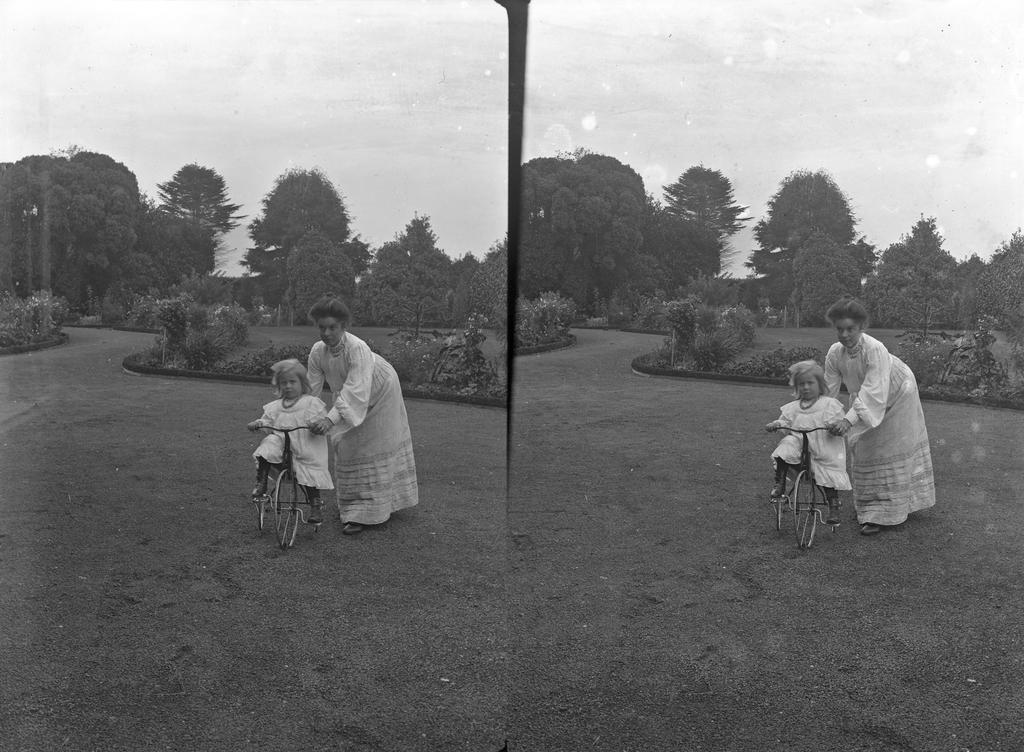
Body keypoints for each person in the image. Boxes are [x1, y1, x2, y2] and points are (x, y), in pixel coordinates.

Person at [822, 296, 936, 535]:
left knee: (889, 447)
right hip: (868, 398)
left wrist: (847, 420)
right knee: (863, 447)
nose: (844, 334)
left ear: (862, 327)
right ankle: (869, 508)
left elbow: (875, 391)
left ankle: (886, 514)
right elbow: (828, 391)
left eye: (850, 329)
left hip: (898, 391)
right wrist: (820, 415)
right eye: (840, 329)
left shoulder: (874, 349)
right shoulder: (835, 353)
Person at [305, 297, 419, 535]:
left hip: (381, 388)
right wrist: (304, 415)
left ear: (344, 325)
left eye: (332, 327)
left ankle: (372, 512)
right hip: (351, 395)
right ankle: (353, 508)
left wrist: (329, 419)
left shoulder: (357, 348)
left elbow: (356, 390)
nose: (326, 333)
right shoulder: (318, 351)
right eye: (322, 327)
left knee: (374, 444)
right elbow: (311, 390)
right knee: (345, 444)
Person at [248, 359, 334, 524]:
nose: (288, 386)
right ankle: (262, 481)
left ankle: (315, 505)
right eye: (283, 383)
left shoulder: (311, 403)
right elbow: (267, 422)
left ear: (302, 383)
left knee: (310, 470)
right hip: (281, 451)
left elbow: (322, 422)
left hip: (304, 448)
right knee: (269, 441)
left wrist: (317, 425)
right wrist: (258, 424)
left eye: (292, 382)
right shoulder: (275, 406)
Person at [766, 360, 851, 525]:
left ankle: (833, 506)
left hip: (823, 448)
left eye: (810, 383)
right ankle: (780, 482)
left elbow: (839, 422)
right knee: (787, 443)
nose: (805, 387)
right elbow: (785, 422)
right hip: (800, 449)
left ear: (820, 384)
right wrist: (776, 425)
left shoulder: (829, 405)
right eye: (801, 384)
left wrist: (835, 427)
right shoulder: (793, 407)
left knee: (828, 475)